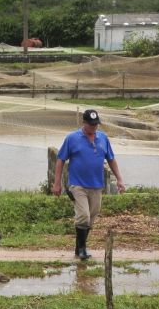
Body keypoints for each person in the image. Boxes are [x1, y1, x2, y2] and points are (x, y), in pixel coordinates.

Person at [52, 109, 125, 260]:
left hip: (96, 185)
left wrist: (119, 179)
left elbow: (111, 159)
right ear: (84, 123)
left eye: (96, 124)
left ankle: (78, 248)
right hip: (77, 184)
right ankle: (83, 249)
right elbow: (60, 160)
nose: (94, 127)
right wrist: (57, 183)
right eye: (91, 124)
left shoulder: (103, 138)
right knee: (83, 216)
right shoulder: (72, 138)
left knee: (92, 216)